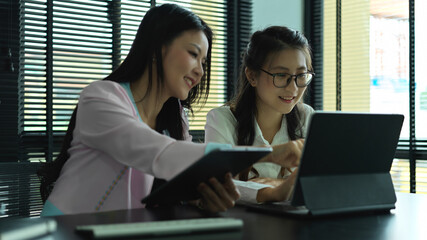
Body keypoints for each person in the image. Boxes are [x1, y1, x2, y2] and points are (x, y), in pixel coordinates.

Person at [37, 5, 303, 216]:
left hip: (125, 230)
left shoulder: (176, 118)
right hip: (66, 228)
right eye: (192, 53)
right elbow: (159, 154)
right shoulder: (101, 98)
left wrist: (201, 198)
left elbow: (183, 181)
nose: (200, 70)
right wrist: (270, 155)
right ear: (157, 48)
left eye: (204, 60)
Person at [205, 26, 315, 203]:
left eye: (301, 75)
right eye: (281, 75)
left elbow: (322, 181)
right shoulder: (221, 120)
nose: (293, 88)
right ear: (252, 76)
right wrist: (269, 192)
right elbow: (216, 184)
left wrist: (280, 183)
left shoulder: (307, 117)